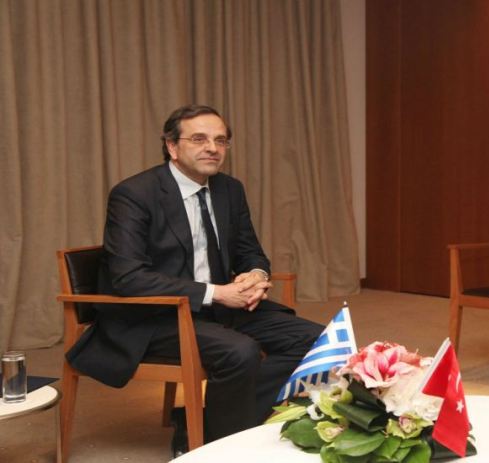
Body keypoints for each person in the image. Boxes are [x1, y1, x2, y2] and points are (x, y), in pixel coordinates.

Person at [66, 104, 324, 455]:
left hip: (218, 307)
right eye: (199, 139)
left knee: (316, 340)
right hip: (154, 315)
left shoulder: (229, 189)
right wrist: (217, 293)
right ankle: (220, 448)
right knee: (239, 352)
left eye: (220, 140)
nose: (212, 148)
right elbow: (129, 278)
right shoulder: (134, 194)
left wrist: (256, 275)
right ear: (172, 147)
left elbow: (250, 251)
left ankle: (204, 425)